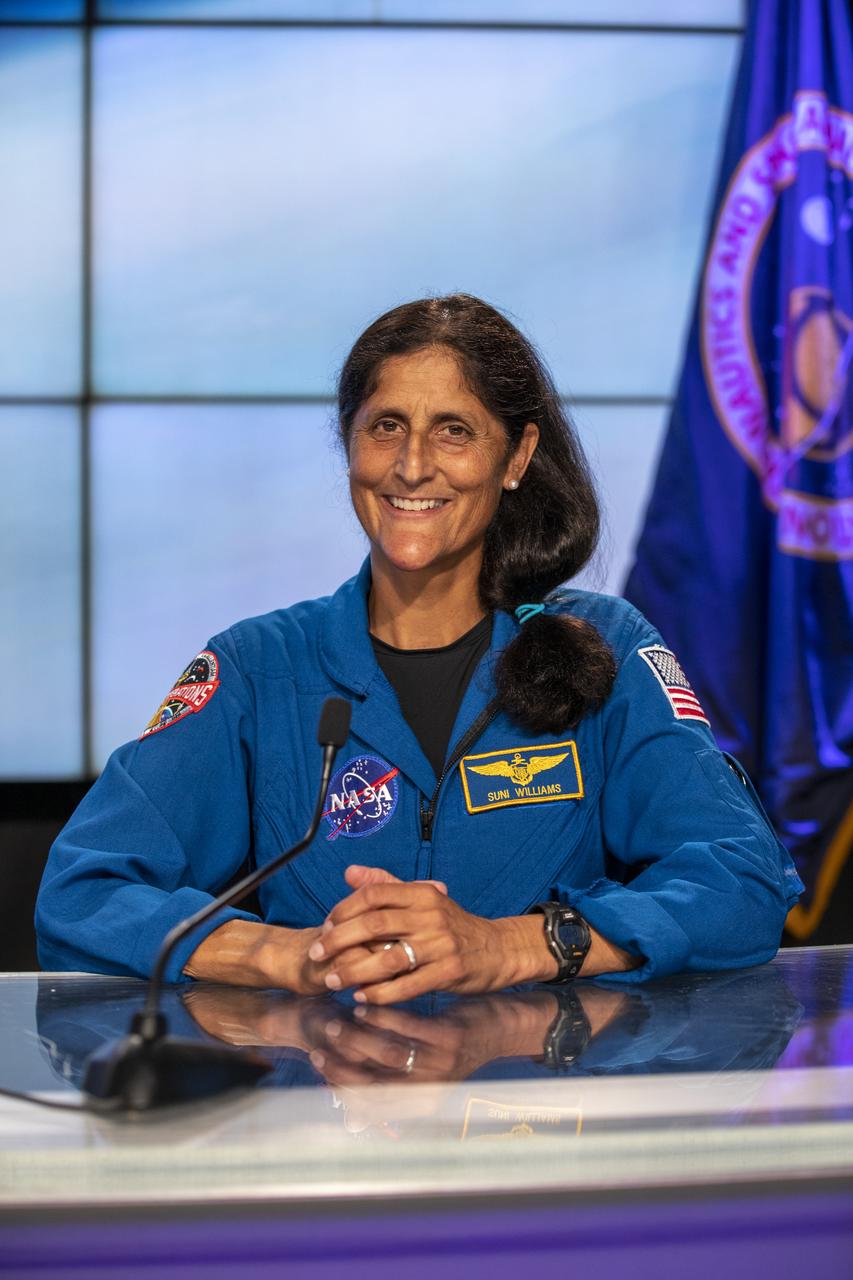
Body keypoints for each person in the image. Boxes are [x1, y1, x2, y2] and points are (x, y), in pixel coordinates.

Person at [35, 295, 804, 1003]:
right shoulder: (257, 669)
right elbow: (82, 892)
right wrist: (280, 956)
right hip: (324, 1126)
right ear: (351, 447)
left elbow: (741, 882)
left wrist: (517, 946)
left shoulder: (605, 648)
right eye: (385, 426)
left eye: (454, 430)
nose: (411, 465)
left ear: (514, 457)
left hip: (545, 1122)